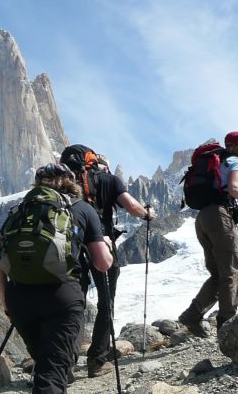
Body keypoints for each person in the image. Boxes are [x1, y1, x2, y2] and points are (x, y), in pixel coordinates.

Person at [0, 163, 114, 394]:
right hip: (61, 298)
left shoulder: (20, 210)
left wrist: (5, 298)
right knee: (51, 374)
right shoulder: (82, 209)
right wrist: (105, 244)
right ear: (71, 182)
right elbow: (102, 263)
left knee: (46, 363)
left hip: (20, 300)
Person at [178, 131, 238, 337]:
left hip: (203, 218)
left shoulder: (216, 162)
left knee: (218, 274)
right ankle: (227, 327)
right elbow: (234, 188)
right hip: (220, 217)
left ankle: (192, 315)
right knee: (231, 273)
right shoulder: (236, 162)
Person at [82, 154, 155, 378]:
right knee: (106, 302)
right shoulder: (110, 179)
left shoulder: (69, 180)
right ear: (104, 166)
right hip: (101, 243)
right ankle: (97, 359)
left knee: (73, 302)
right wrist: (147, 214)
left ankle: (61, 361)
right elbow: (132, 206)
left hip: (70, 246)